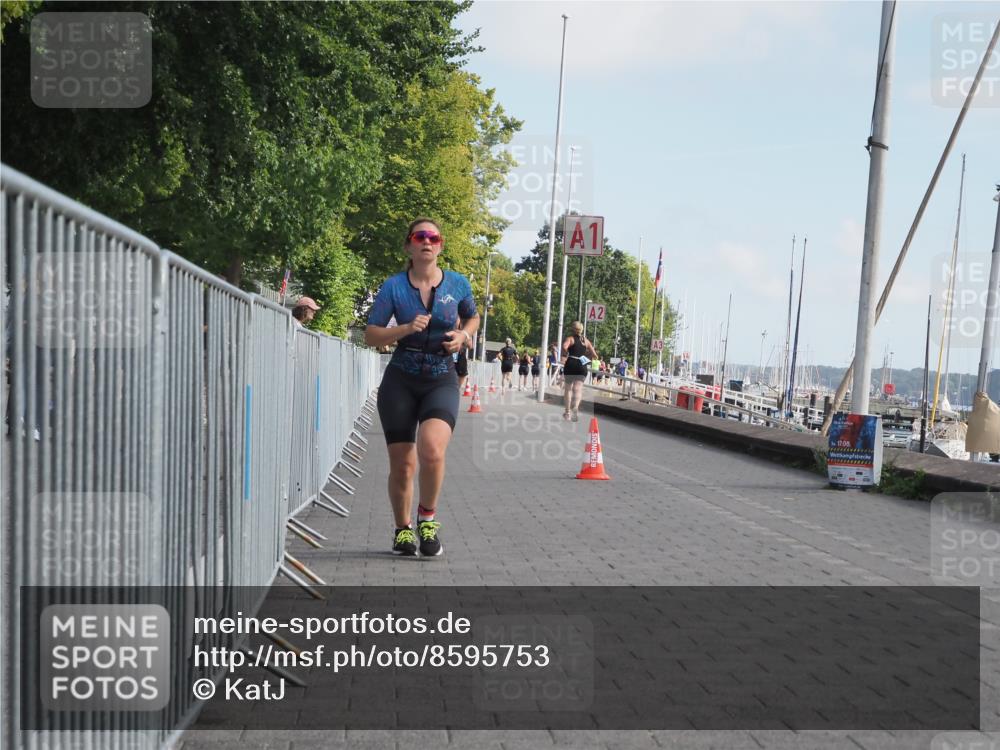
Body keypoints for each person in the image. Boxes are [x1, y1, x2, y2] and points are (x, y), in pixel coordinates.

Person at [364, 218, 479, 557]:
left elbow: (472, 316)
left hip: (441, 376)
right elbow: (371, 334)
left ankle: (427, 518)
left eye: (434, 237)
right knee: (403, 465)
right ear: (409, 246)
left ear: (440, 246)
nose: (427, 242)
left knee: (432, 449)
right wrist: (403, 328)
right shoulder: (394, 287)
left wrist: (464, 335)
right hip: (401, 377)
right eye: (420, 236)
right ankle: (402, 530)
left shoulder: (457, 284)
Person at [561, 321, 598, 422]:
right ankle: (575, 409)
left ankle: (567, 413)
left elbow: (564, 347)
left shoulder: (570, 339)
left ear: (573, 329)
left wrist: (567, 353)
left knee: (568, 389)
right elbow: (595, 356)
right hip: (582, 365)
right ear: (581, 330)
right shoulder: (586, 341)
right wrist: (586, 357)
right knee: (578, 389)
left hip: (571, 363)